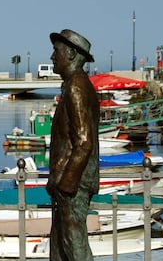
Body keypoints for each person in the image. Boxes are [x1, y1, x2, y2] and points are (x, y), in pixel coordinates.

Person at [46, 29, 100, 261]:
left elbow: (84, 142)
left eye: (56, 51)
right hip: (66, 180)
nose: (52, 57)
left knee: (73, 242)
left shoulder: (76, 88)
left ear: (70, 53)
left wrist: (66, 183)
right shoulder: (74, 85)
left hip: (72, 183)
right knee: (59, 244)